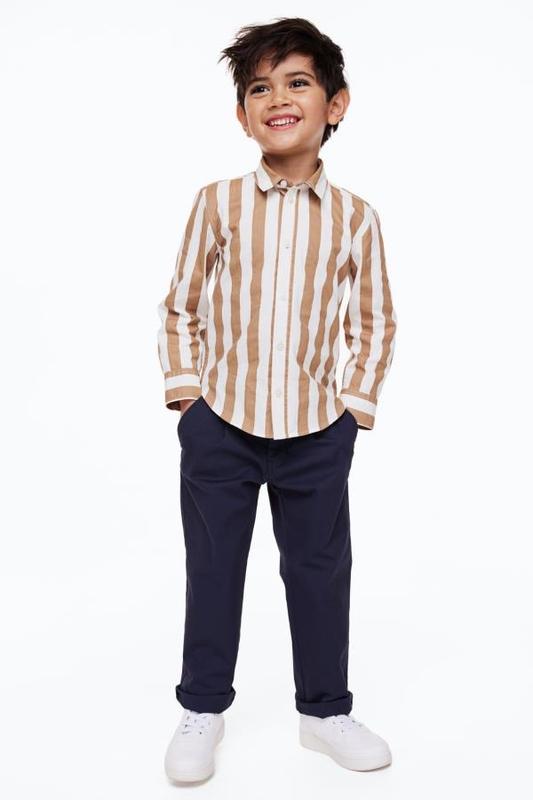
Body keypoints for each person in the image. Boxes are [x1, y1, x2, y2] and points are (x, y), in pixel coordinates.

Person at [157, 17, 397, 783]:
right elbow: (181, 306)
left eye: (297, 82)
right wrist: (188, 399)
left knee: (319, 572)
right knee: (213, 568)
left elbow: (374, 321)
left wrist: (353, 410)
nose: (277, 99)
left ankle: (324, 712)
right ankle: (202, 708)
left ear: (335, 104)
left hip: (316, 430)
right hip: (221, 424)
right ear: (242, 115)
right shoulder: (218, 203)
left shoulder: (355, 218)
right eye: (259, 88)